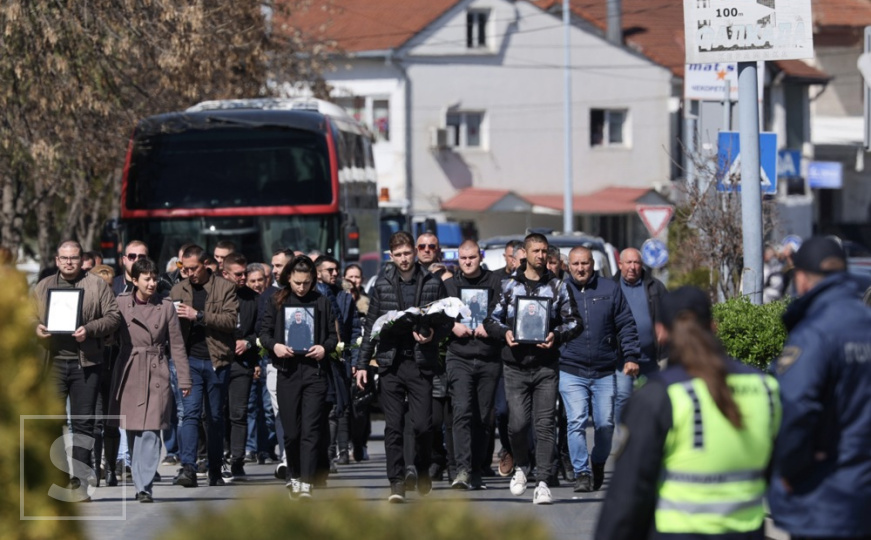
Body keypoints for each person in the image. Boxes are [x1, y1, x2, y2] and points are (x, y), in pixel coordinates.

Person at [595, 286, 781, 540]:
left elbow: (627, 495)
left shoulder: (660, 395)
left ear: (660, 331)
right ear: (714, 326)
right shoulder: (765, 388)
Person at [767, 236, 871, 540]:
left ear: (800, 279)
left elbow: (795, 406)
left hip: (825, 495)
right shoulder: (866, 323)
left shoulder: (814, 333)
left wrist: (788, 469)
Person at [484, 233, 581, 505]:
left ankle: (542, 481)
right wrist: (505, 333)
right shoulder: (508, 285)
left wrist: (556, 335)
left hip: (546, 366)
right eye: (535, 251)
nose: (540, 256)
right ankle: (521, 466)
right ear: (524, 254)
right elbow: (491, 320)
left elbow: (575, 322)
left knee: (545, 424)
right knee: (517, 424)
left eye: (544, 251)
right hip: (515, 365)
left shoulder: (559, 286)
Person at [354, 231, 450, 503]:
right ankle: (396, 482)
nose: (404, 259)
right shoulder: (382, 285)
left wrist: (432, 334)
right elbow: (371, 325)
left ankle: (421, 469)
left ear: (415, 253)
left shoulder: (432, 282)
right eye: (398, 255)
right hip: (390, 363)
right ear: (391, 256)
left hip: (420, 362)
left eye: (408, 253)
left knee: (422, 425)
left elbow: (446, 323)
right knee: (393, 427)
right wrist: (362, 364)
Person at [34, 240, 122, 498]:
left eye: (73, 258)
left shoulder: (95, 285)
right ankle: (60, 477)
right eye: (64, 258)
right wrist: (35, 327)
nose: (69, 262)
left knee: (83, 423)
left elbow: (113, 316)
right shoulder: (44, 286)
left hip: (86, 363)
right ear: (56, 259)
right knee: (52, 422)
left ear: (81, 259)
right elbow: (30, 314)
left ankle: (82, 482)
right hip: (53, 364)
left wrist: (90, 329)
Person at [108, 258, 191, 503]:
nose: (152, 283)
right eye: (147, 278)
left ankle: (144, 486)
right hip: (130, 367)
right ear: (134, 280)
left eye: (155, 278)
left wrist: (184, 379)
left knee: (152, 430)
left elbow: (177, 344)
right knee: (134, 430)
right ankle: (139, 481)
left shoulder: (165, 306)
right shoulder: (121, 303)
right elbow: (108, 331)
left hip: (157, 369)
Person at [560, 246, 640, 492]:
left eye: (585, 263)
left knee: (605, 425)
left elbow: (625, 323)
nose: (580, 268)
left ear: (592, 264)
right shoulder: (560, 290)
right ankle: (582, 473)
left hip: (605, 369)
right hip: (571, 368)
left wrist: (630, 356)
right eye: (575, 264)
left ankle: (597, 462)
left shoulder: (609, 289)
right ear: (569, 266)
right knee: (576, 421)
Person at [259, 256, 337, 499]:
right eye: (296, 282)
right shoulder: (277, 301)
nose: (301, 287)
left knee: (311, 430)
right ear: (288, 279)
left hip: (314, 374)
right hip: (287, 371)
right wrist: (275, 347)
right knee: (291, 431)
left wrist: (325, 348)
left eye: (306, 282)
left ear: (313, 280)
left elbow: (334, 338)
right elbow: (264, 333)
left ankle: (306, 480)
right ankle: (293, 474)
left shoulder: (322, 302)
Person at [170, 244, 238, 488]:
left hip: (217, 361)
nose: (189, 273)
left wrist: (198, 316)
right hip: (189, 362)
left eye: (193, 268)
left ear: (206, 264)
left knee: (215, 417)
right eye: (184, 269)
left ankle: (215, 468)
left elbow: (231, 321)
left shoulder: (225, 287)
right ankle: (188, 467)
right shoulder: (178, 289)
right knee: (190, 414)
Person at [444, 240, 503, 490]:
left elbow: (505, 315)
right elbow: (435, 317)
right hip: (459, 357)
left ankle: (477, 469)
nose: (467, 262)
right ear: (458, 259)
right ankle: (462, 470)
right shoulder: (448, 285)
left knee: (482, 416)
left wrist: (490, 328)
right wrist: (451, 326)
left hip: (489, 358)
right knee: (461, 411)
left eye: (472, 258)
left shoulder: (496, 283)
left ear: (481, 256)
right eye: (463, 258)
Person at [614, 247, 668, 423]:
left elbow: (669, 314)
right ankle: (623, 440)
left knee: (653, 400)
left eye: (636, 262)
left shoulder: (655, 287)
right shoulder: (610, 287)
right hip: (621, 359)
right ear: (620, 264)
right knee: (623, 397)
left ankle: (649, 438)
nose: (632, 267)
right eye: (628, 262)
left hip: (651, 358)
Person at [221, 252, 259, 480]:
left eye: (245, 273)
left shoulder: (253, 299)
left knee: (238, 413)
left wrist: (248, 342)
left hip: (242, 364)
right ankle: (220, 457)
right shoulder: (213, 296)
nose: (243, 277)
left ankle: (237, 461)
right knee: (217, 413)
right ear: (225, 274)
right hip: (218, 362)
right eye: (238, 274)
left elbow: (262, 330)